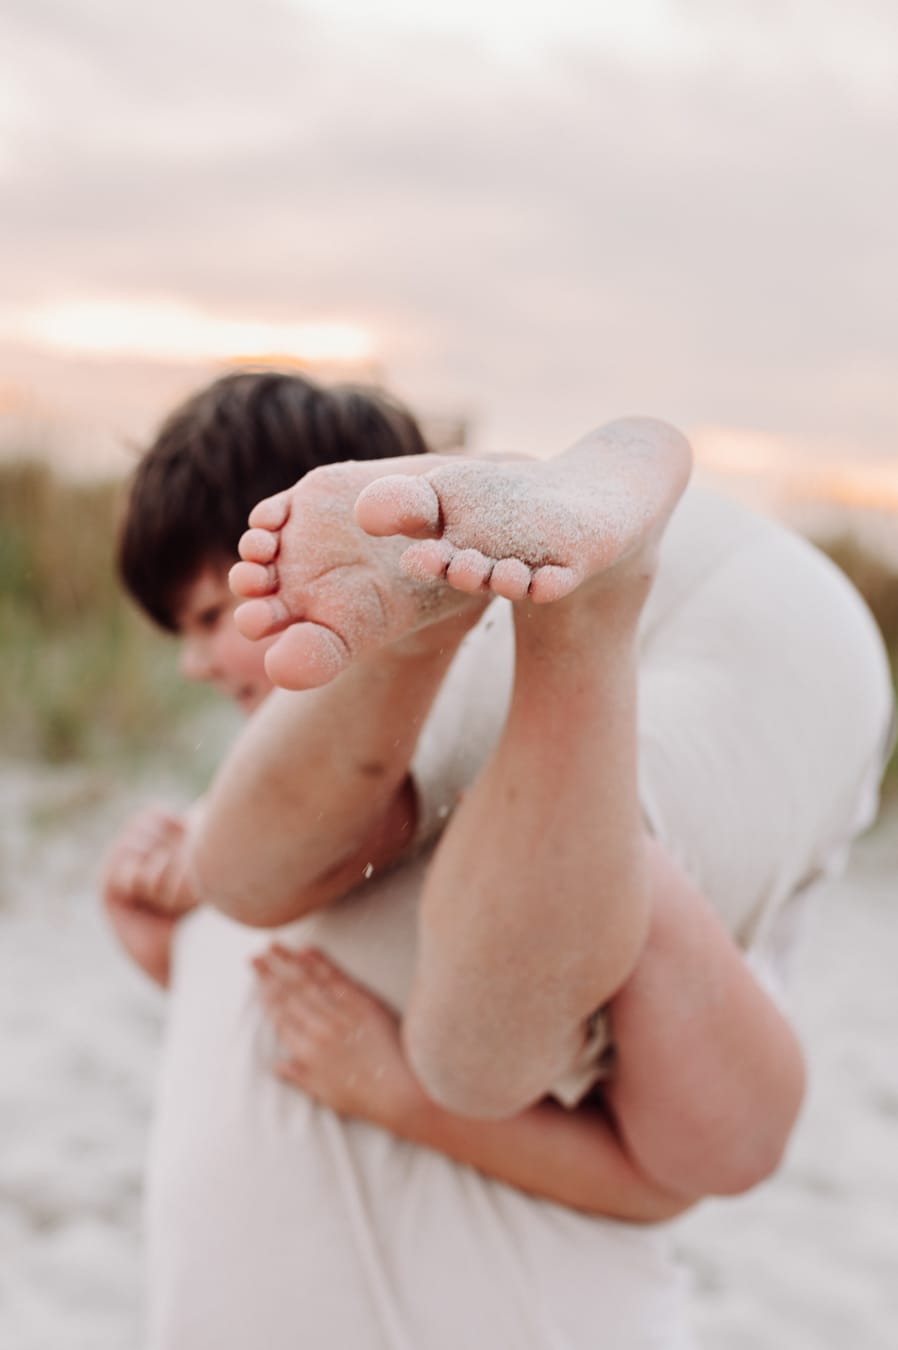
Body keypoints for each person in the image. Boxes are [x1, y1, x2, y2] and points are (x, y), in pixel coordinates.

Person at [103, 371, 893, 1349]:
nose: (193, 663)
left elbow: (679, 1173)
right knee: (250, 876)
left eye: (208, 617)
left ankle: (563, 620)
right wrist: (163, 947)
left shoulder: (560, 825)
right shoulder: (261, 837)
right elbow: (247, 1006)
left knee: (471, 1057)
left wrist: (402, 1095)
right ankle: (550, 614)